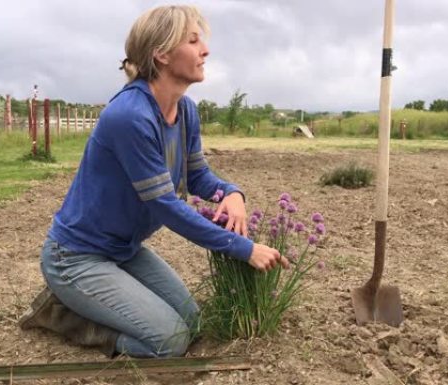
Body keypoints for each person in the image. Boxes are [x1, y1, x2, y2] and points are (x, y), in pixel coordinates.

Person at [19, 5, 289, 359]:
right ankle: (66, 315)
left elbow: (197, 177)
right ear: (161, 54)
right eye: (193, 40)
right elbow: (165, 205)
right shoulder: (130, 116)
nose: (205, 49)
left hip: (123, 250)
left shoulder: (186, 111)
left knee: (192, 323)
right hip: (75, 258)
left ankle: (94, 300)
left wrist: (233, 193)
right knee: (170, 341)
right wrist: (243, 248)